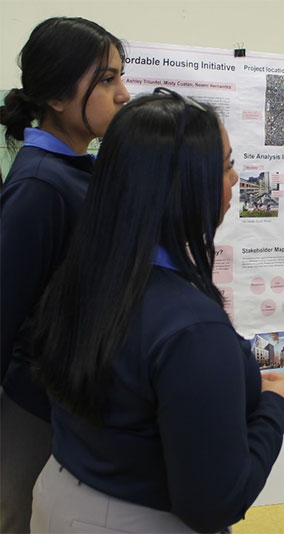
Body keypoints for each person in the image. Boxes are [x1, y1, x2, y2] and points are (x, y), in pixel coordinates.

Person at [28, 89, 284, 532]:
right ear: (185, 184)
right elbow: (214, 502)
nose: (236, 179)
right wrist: (276, 407)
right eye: (227, 164)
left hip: (59, 494)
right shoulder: (191, 328)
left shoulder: (87, 273)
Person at [0, 17, 129, 533]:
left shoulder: (83, 170)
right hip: (33, 406)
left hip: (73, 400)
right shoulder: (38, 186)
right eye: (106, 79)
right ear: (55, 96)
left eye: (120, 76)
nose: (123, 93)